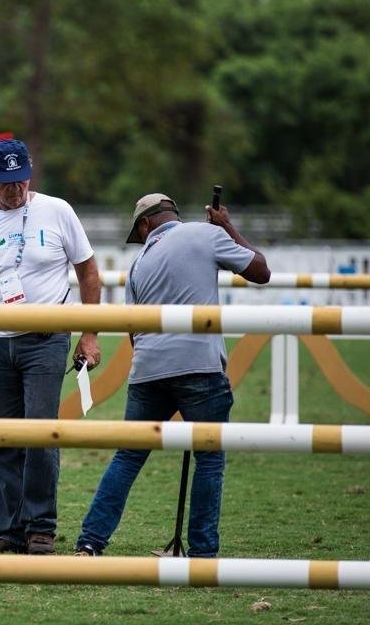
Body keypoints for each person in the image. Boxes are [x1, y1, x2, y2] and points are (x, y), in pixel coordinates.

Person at [74, 193, 270, 557]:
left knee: (128, 457)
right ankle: (202, 553)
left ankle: (91, 541)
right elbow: (261, 271)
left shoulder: (139, 264)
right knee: (209, 459)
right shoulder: (206, 234)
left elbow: (133, 329)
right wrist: (226, 225)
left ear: (146, 224)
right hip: (199, 364)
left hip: (148, 369)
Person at [0, 139, 103, 555]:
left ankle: (40, 527)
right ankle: (11, 528)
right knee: (0, 439)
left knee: (39, 434)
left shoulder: (58, 211)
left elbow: (89, 274)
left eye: (20, 181)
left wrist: (90, 334)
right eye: (5, 183)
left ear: (30, 174)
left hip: (47, 339)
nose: (14, 189)